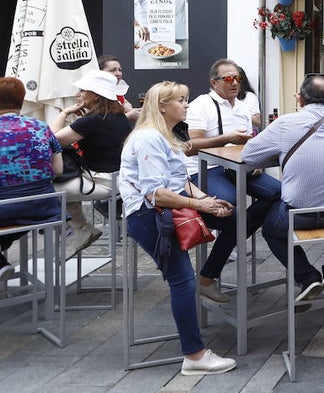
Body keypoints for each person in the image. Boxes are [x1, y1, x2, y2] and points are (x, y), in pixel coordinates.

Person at [118, 81, 237, 376]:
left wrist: (206, 199)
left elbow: (178, 180)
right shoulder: (149, 138)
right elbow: (155, 193)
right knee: (182, 281)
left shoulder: (163, 135)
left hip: (164, 211)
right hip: (149, 216)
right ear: (162, 106)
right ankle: (195, 356)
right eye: (181, 100)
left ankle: (195, 346)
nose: (186, 105)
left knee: (234, 221)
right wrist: (202, 206)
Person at [243, 73, 324, 306]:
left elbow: (249, 155)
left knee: (270, 229)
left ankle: (307, 277)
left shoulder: (285, 123)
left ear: (300, 99)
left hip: (299, 217)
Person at [185, 59, 282, 304]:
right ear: (214, 82)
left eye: (237, 77)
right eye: (228, 79)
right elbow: (191, 146)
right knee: (230, 209)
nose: (235, 82)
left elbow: (250, 142)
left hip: (240, 168)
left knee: (280, 193)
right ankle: (207, 277)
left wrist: (257, 159)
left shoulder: (242, 106)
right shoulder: (201, 105)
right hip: (209, 169)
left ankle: (244, 232)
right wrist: (225, 138)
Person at [50, 69, 134, 258]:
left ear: (95, 96)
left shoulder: (93, 120)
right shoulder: (117, 115)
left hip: (101, 182)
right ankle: (82, 228)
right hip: (118, 179)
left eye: (83, 91)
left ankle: (78, 230)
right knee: (62, 181)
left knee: (45, 191)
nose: (78, 95)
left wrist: (64, 112)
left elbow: (50, 141)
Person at [0, 77, 64, 282]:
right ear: (22, 100)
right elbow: (58, 170)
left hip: (4, 208)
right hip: (41, 207)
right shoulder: (41, 127)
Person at [98, 54, 139, 120]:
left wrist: (132, 110)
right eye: (112, 70)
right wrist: (128, 116)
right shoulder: (95, 95)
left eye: (120, 70)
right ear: (100, 72)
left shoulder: (116, 90)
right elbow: (99, 122)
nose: (118, 74)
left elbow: (125, 104)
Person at [235, 64, 262, 130]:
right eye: (228, 79)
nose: (234, 83)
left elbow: (257, 121)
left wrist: (236, 112)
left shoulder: (249, 97)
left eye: (237, 79)